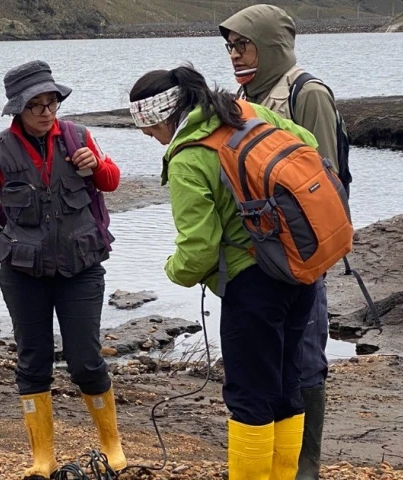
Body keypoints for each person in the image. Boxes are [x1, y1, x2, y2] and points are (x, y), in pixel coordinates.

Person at [128, 64, 320, 479]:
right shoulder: (245, 111)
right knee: (287, 385)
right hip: (301, 268)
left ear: (164, 116)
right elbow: (309, 146)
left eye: (150, 130)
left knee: (249, 396)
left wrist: (173, 271)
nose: (150, 138)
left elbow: (198, 251)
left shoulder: (187, 157)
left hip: (252, 285)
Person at [0, 60, 125, 479]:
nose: (46, 111)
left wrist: (95, 166)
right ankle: (43, 459)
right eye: (35, 104)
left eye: (51, 101)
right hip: (23, 273)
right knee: (33, 362)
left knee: (86, 362)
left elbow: (112, 182)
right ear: (17, 110)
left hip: (82, 268)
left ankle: (112, 444)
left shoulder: (78, 137)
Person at [220, 6, 346, 477]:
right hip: (260, 257)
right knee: (273, 362)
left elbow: (322, 178)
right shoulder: (241, 96)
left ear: (271, 43)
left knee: (305, 357)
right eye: (230, 47)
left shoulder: (306, 92)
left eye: (244, 45)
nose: (235, 55)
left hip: (301, 254)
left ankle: (305, 467)